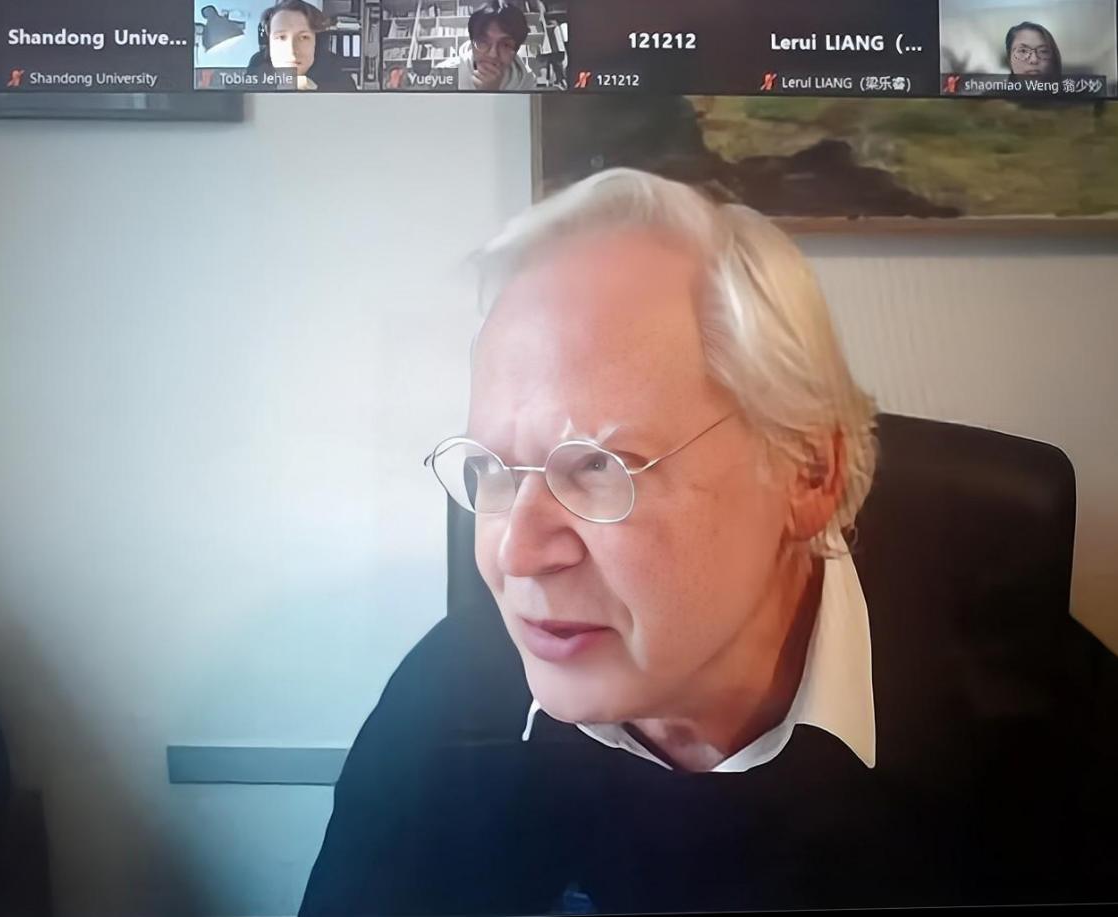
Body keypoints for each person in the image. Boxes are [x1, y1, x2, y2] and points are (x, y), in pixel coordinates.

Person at [299, 169, 1118, 915]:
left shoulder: (1045, 725)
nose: (515, 554)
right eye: (493, 469)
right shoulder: (443, 710)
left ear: (808, 474)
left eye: (598, 466)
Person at [246, 0, 356, 91]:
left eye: (303, 37)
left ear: (317, 43)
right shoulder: (257, 68)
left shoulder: (338, 77)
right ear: (268, 42)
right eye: (281, 37)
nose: (292, 50)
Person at [453, 1, 537, 91]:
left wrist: (491, 92)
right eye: (483, 42)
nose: (493, 54)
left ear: (516, 50)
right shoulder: (448, 73)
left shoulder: (527, 81)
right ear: (472, 44)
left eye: (505, 45)